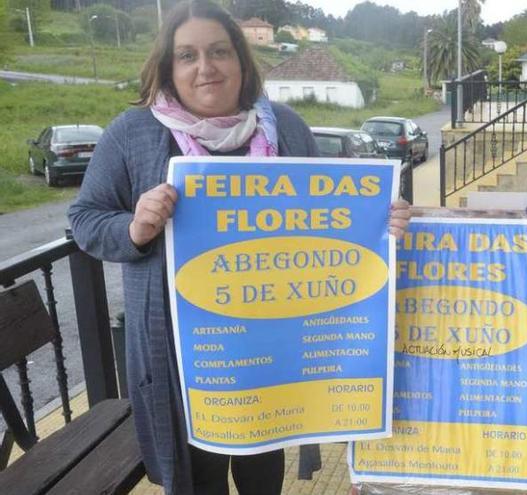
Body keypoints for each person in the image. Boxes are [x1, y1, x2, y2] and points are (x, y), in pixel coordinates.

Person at [68, 2, 410, 494]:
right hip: (185, 360)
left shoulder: (285, 127)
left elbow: (335, 216)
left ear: (242, 62)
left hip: (273, 350)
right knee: (196, 477)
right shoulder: (133, 132)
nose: (205, 67)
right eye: (187, 55)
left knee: (263, 472)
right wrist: (135, 228)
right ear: (169, 67)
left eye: (219, 52)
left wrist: (382, 220)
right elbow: (85, 219)